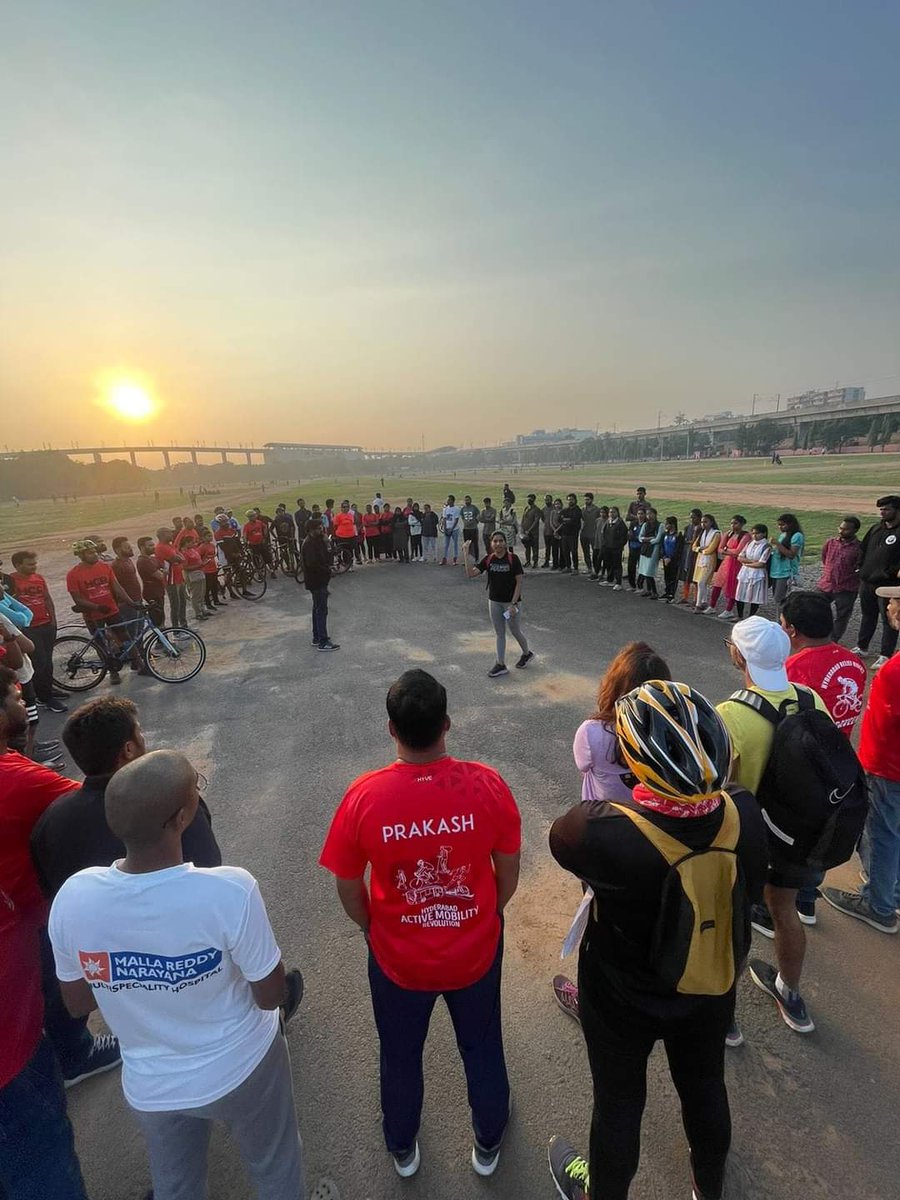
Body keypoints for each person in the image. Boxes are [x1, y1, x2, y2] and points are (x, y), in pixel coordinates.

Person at [48, 751, 305, 1200]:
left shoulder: (73, 898)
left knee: (177, 1187)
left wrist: (133, 982)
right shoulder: (230, 890)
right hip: (244, 1066)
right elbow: (269, 997)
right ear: (182, 817)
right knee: (275, 1166)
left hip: (152, 1085)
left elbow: (78, 1003)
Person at [548, 681, 767, 1200]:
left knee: (619, 1104)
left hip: (622, 995)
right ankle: (707, 1187)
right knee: (705, 1087)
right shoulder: (744, 812)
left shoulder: (599, 829)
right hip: (710, 982)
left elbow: (559, 841)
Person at [319, 670, 521, 1178]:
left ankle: (402, 1145)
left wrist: (372, 928)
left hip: (398, 958)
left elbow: (348, 884)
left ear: (391, 729)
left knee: (400, 1053)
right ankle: (489, 1138)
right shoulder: (486, 784)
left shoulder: (364, 796)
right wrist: (487, 914)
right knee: (482, 1045)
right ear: (447, 723)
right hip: (474, 951)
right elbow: (509, 869)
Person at [0, 666, 89, 1199]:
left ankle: (75, 1053)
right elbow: (98, 807)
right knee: (41, 1162)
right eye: (13, 695)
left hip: (28, 932)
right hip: (10, 1050)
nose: (23, 698)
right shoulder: (18, 779)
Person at [717, 617, 828, 1035]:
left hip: (748, 839)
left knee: (734, 922)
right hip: (796, 835)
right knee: (785, 911)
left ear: (738, 655)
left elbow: (719, 781)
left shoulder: (731, 713)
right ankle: (791, 994)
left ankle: (725, 1018)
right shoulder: (810, 699)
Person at [821, 582, 900, 933]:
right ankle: (890, 892)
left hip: (888, 766)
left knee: (882, 834)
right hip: (888, 763)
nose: (888, 607)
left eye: (895, 601)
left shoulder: (896, 670)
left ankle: (879, 904)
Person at [464, 531, 533, 678]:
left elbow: (519, 582)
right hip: (494, 602)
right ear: (491, 544)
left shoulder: (512, 559)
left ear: (505, 543)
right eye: (495, 541)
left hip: (511, 604)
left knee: (515, 631)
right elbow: (470, 573)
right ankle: (500, 664)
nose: (498, 543)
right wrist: (466, 553)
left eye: (501, 541)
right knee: (499, 633)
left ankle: (526, 653)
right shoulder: (489, 559)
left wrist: (513, 604)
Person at [6, 550, 65, 712]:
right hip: (29, 628)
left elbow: (47, 598)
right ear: (18, 565)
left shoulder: (39, 578)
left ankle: (48, 688)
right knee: (39, 661)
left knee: (48, 660)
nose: (34, 567)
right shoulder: (10, 581)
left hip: (46, 624)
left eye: (35, 563)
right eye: (30, 564)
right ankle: (44, 698)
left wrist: (52, 620)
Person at [853, 494, 900, 670]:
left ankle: (885, 654)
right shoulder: (875, 529)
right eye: (881, 509)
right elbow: (863, 549)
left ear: (897, 510)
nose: (882, 513)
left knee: (889, 619)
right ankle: (862, 646)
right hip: (867, 581)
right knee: (867, 615)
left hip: (888, 585)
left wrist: (890, 572)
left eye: (886, 509)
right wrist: (860, 567)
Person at [816, 516, 862, 643]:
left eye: (846, 529)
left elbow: (859, 566)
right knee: (817, 609)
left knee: (842, 615)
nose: (841, 531)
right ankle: (819, 635)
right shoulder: (830, 542)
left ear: (855, 530)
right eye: (840, 528)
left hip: (846, 587)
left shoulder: (859, 547)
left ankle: (833, 640)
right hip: (826, 584)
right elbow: (825, 558)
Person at [301, 519, 339, 651]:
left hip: (320, 580)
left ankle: (317, 637)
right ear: (311, 530)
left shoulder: (318, 540)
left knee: (317, 608)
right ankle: (323, 641)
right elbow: (313, 564)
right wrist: (328, 570)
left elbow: (327, 554)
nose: (321, 530)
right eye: (318, 529)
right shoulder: (309, 544)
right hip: (316, 581)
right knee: (321, 610)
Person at [706, 516, 749, 620]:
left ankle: (729, 609)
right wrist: (729, 551)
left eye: (736, 523)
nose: (733, 526)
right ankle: (712, 606)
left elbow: (739, 551)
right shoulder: (728, 534)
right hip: (726, 562)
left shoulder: (745, 536)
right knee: (717, 584)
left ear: (742, 524)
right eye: (732, 523)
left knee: (732, 585)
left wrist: (726, 550)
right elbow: (720, 549)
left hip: (736, 564)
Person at [768, 513, 804, 617]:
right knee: (777, 598)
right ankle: (781, 622)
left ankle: (782, 624)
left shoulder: (797, 536)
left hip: (785, 572)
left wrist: (777, 544)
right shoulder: (783, 535)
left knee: (780, 600)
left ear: (790, 524)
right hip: (776, 570)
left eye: (783, 525)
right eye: (779, 525)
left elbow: (791, 554)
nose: (780, 527)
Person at [734, 524, 771, 618]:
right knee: (740, 593)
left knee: (755, 596)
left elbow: (762, 563)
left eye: (757, 533)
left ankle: (751, 616)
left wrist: (747, 564)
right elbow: (740, 557)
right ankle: (740, 615)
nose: (754, 535)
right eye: (753, 533)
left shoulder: (766, 546)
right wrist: (751, 562)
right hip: (746, 571)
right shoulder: (749, 543)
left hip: (757, 573)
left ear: (764, 533)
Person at [154, 528, 187, 628]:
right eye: (169, 532)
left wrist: (178, 559)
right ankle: (176, 630)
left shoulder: (169, 545)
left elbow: (181, 557)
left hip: (178, 577)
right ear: (163, 535)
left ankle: (184, 626)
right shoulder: (160, 547)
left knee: (182, 602)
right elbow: (176, 558)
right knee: (175, 604)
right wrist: (178, 559)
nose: (172, 534)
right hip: (171, 580)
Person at [691, 515, 721, 613]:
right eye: (702, 522)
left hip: (709, 560)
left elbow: (711, 549)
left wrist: (701, 549)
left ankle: (698, 604)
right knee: (701, 582)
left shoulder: (716, 534)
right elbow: (694, 546)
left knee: (702, 582)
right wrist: (701, 548)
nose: (703, 524)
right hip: (700, 559)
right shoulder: (702, 532)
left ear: (711, 522)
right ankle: (704, 601)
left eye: (706, 522)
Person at [136, 538, 167, 626]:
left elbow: (164, 568)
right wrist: (162, 571)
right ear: (142, 547)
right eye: (150, 545)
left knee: (162, 617)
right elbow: (160, 575)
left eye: (153, 545)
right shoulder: (143, 561)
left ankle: (163, 638)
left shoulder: (153, 559)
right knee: (158, 619)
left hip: (159, 591)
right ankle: (161, 638)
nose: (153, 547)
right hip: (152, 593)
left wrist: (162, 571)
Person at [677, 508, 703, 605]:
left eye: (694, 518)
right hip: (686, 553)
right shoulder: (688, 527)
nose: (692, 520)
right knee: (686, 575)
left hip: (695, 554)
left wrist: (689, 541)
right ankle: (685, 596)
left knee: (695, 577)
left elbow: (694, 541)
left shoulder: (701, 528)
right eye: (691, 518)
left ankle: (696, 598)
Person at [636, 508, 663, 598]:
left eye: (651, 514)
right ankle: (648, 590)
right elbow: (640, 537)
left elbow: (657, 539)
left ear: (655, 514)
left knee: (649, 571)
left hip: (654, 550)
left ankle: (654, 592)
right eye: (647, 514)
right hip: (645, 549)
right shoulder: (645, 525)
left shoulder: (660, 525)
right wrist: (648, 539)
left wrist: (647, 540)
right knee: (644, 570)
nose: (649, 516)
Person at [598, 507, 627, 590]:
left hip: (616, 548)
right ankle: (609, 579)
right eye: (610, 512)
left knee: (617, 565)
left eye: (613, 512)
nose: (611, 514)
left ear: (617, 513)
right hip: (607, 547)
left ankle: (618, 583)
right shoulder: (608, 522)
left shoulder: (620, 523)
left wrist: (619, 545)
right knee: (608, 564)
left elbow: (624, 537)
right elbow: (603, 534)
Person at [660, 517, 683, 602]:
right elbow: (661, 546)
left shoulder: (678, 535)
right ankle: (667, 592)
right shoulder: (665, 534)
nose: (666, 526)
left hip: (674, 560)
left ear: (672, 524)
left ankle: (672, 594)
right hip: (665, 559)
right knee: (667, 576)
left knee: (673, 577)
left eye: (667, 524)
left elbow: (678, 549)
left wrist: (671, 558)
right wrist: (664, 557)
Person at [558, 494, 582, 574]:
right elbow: (559, 519)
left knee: (574, 551)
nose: (570, 501)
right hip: (564, 534)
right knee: (565, 551)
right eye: (568, 499)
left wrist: (565, 519)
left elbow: (574, 521)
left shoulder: (577, 510)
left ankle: (575, 568)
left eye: (571, 499)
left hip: (573, 534)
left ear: (575, 500)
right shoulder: (565, 510)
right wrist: (567, 520)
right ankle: (568, 567)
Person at [580, 494, 602, 579]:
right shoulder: (582, 509)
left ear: (592, 500)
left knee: (595, 552)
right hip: (584, 533)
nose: (586, 501)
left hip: (594, 534)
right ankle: (589, 567)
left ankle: (596, 568)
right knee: (586, 552)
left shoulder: (597, 510)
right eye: (585, 499)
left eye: (588, 499)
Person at [625, 507, 646, 591]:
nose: (640, 515)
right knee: (631, 566)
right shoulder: (633, 523)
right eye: (639, 514)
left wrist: (637, 537)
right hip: (633, 547)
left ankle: (640, 585)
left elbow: (644, 538)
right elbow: (630, 535)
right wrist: (637, 537)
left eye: (642, 514)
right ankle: (632, 585)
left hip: (642, 548)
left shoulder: (646, 524)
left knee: (641, 567)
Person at [333, 500, 358, 570]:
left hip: (351, 535)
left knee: (350, 550)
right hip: (342, 536)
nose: (345, 508)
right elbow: (335, 526)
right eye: (344, 507)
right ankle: (345, 564)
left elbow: (353, 523)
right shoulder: (338, 516)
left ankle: (351, 564)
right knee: (344, 550)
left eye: (347, 507)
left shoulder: (350, 515)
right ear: (341, 508)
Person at [520, 493, 542, 568]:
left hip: (533, 532)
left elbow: (536, 521)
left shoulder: (536, 509)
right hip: (525, 532)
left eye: (530, 499)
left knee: (535, 547)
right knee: (527, 547)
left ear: (534, 500)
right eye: (528, 499)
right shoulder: (526, 508)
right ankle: (528, 561)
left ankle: (535, 562)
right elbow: (523, 518)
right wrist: (522, 527)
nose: (529, 500)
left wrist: (529, 530)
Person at [441, 495, 462, 564]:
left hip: (454, 529)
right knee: (446, 544)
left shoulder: (456, 509)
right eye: (447, 500)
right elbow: (444, 519)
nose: (448, 501)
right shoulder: (445, 509)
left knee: (455, 544)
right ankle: (444, 558)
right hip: (447, 528)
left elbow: (456, 520)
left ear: (453, 501)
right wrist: (445, 528)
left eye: (449, 500)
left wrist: (452, 529)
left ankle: (455, 558)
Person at [540, 494, 555, 568]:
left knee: (555, 548)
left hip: (554, 531)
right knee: (547, 548)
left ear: (551, 500)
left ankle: (556, 563)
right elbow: (543, 519)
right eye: (545, 500)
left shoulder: (555, 508)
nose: (546, 501)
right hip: (546, 531)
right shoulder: (543, 509)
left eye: (548, 500)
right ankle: (547, 561)